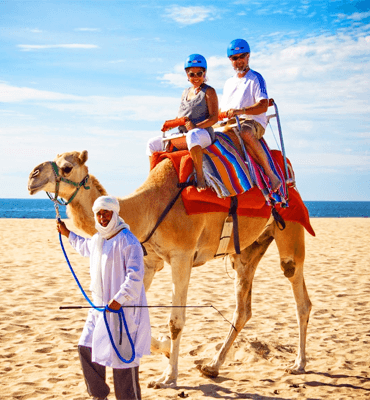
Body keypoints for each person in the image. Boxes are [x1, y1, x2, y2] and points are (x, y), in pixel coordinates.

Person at [57, 196, 151, 400]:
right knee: (86, 348)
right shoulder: (98, 239)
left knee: (123, 361)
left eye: (106, 213)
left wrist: (118, 299)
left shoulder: (128, 240)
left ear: (115, 213)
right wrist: (67, 234)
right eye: (99, 213)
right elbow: (84, 247)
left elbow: (135, 277)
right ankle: (100, 396)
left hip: (123, 312)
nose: (102, 217)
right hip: (99, 310)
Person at [146, 54, 219, 191]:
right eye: (192, 74)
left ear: (205, 73)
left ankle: (200, 176)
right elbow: (182, 115)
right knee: (152, 143)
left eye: (199, 73)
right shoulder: (185, 92)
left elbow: (214, 118)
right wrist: (171, 124)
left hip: (202, 134)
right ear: (187, 74)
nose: (196, 77)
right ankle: (152, 179)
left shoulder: (209, 91)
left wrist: (195, 127)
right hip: (184, 134)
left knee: (193, 136)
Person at [219, 38, 281, 192]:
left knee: (245, 132)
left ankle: (270, 174)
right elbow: (223, 110)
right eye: (235, 58)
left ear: (248, 56)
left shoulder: (256, 78)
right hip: (231, 122)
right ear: (230, 60)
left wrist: (241, 111)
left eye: (242, 56)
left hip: (252, 121)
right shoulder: (228, 83)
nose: (239, 61)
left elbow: (262, 105)